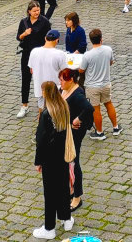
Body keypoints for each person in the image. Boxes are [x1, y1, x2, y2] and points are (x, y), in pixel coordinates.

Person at [32, 81, 76, 239]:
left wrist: (38, 162)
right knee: (63, 188)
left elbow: (41, 141)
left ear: (46, 93)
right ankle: (66, 218)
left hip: (50, 160)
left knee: (50, 193)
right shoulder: (63, 106)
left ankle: (49, 228)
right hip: (63, 156)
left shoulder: (46, 114)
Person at [59, 67, 93, 212]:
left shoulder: (77, 94)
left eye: (62, 80)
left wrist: (77, 119)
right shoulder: (65, 89)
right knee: (68, 161)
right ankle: (71, 189)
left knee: (74, 161)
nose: (60, 83)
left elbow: (89, 108)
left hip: (74, 133)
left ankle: (77, 197)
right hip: (66, 130)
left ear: (70, 80)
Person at [80, 28, 119, 140]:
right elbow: (111, 62)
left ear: (91, 41)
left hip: (92, 86)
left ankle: (100, 132)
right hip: (105, 83)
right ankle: (115, 127)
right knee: (108, 104)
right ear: (101, 39)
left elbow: (81, 70)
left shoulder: (88, 55)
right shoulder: (108, 50)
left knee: (95, 109)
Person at [16, 2, 52, 119]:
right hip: (26, 54)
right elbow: (18, 37)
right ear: (29, 12)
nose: (37, 13)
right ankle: (24, 105)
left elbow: (49, 38)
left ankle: (44, 105)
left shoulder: (44, 22)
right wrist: (24, 34)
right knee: (25, 80)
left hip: (40, 55)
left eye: (38, 10)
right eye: (34, 11)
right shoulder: (24, 22)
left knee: (42, 80)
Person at [28, 30, 68, 110]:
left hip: (40, 88)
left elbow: (31, 70)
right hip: (55, 89)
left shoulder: (34, 51)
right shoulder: (60, 54)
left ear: (45, 38)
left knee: (42, 111)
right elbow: (65, 72)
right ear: (57, 40)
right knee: (55, 112)